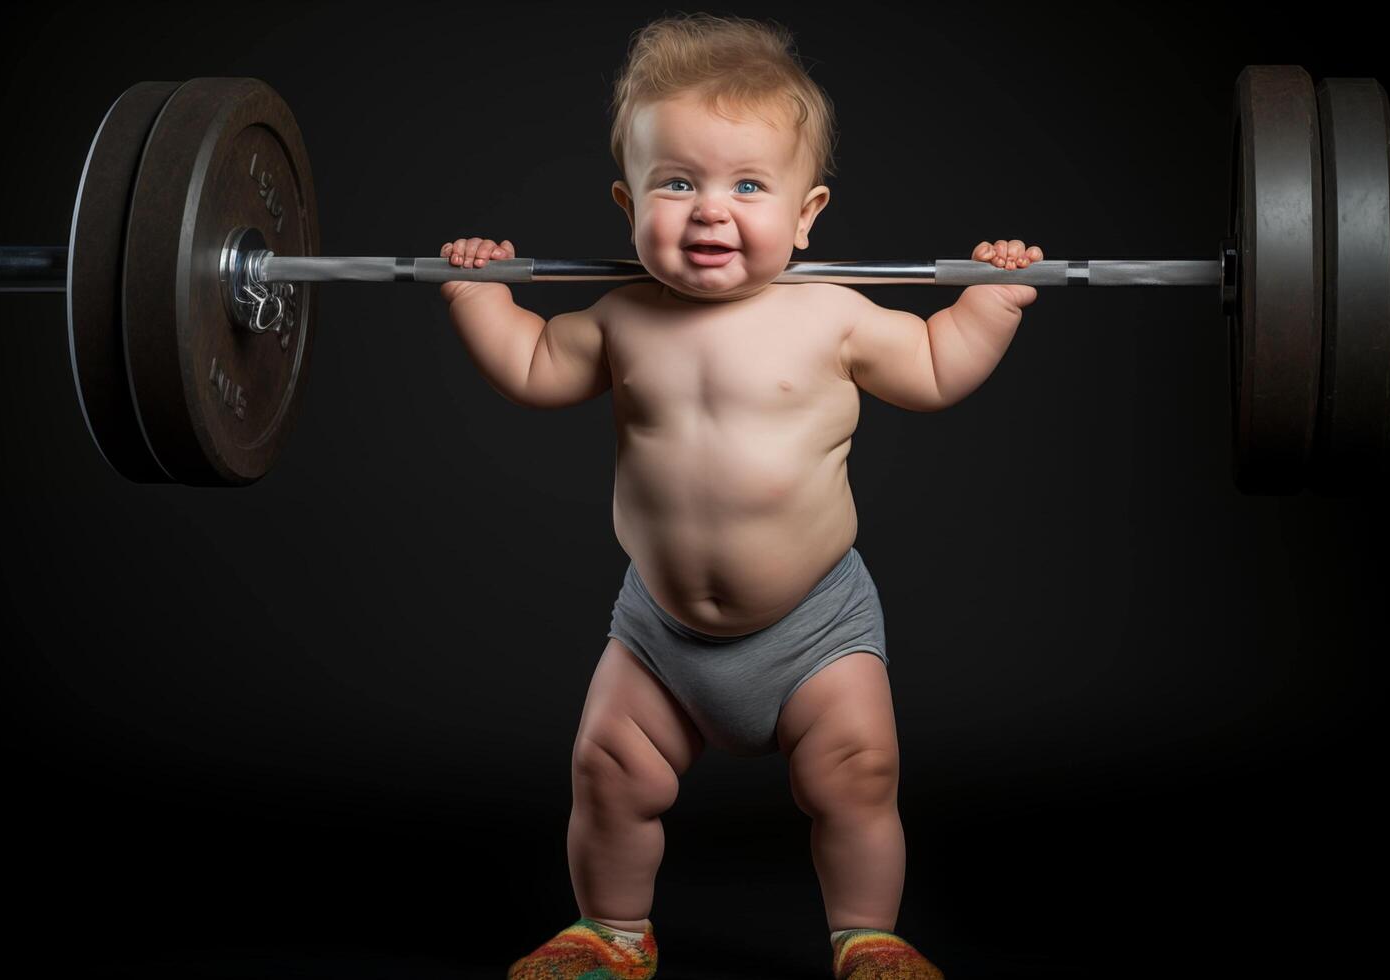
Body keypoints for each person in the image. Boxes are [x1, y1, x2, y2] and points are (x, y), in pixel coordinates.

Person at [440, 12, 1040, 979]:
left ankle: (867, 938)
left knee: (859, 778)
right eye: (676, 182)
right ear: (626, 199)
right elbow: (536, 366)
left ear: (807, 216)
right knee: (606, 773)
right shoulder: (620, 316)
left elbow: (932, 367)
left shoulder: (834, 314)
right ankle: (613, 934)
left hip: (813, 628)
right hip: (659, 633)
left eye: (748, 186)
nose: (710, 211)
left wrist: (989, 303)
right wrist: (480, 299)